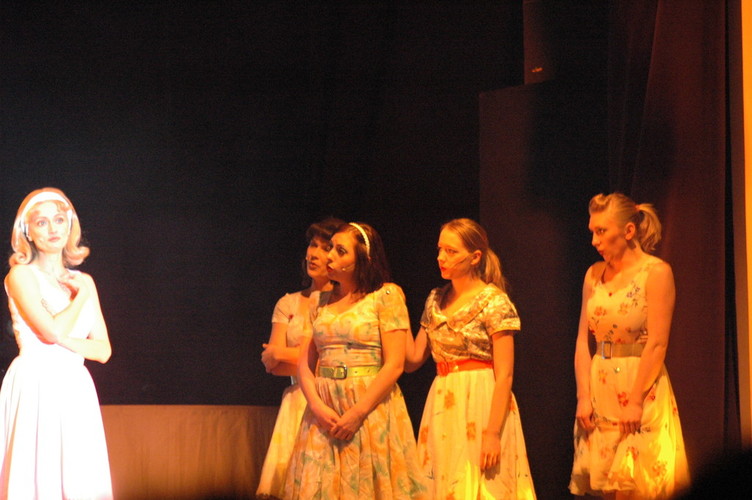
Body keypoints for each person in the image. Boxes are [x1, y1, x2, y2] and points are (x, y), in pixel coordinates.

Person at [283, 222, 426, 499]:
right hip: (324, 409)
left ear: (363, 258)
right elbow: (305, 364)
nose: (329, 256)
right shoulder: (319, 301)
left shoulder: (385, 296)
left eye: (340, 251)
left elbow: (395, 364)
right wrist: (316, 406)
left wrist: (358, 413)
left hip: (368, 407)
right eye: (330, 248)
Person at [569, 193, 690, 499]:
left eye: (601, 231)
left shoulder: (656, 272)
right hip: (601, 388)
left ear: (628, 231)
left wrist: (635, 400)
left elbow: (658, 343)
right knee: (608, 487)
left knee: (637, 485)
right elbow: (583, 341)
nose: (595, 241)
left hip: (639, 387)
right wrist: (583, 396)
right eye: (592, 231)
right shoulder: (593, 275)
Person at [404, 218, 536, 499]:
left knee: (483, 487)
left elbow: (505, 375)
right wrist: (395, 313)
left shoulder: (493, 301)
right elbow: (413, 358)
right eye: (440, 249)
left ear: (475, 257)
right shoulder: (435, 299)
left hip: (481, 401)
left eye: (451, 251)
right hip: (443, 400)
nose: (441, 257)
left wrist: (492, 433)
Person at [0, 187, 113, 498]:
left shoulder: (84, 281)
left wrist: (63, 337)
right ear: (28, 232)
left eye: (59, 220)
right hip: (36, 380)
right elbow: (49, 333)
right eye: (42, 222)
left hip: (74, 384)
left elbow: (102, 350)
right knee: (37, 474)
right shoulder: (21, 275)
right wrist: (79, 300)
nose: (53, 228)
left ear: (69, 225)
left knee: (77, 476)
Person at [256, 217, 343, 499]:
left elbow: (332, 360)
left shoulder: (345, 305)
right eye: (312, 245)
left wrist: (280, 352)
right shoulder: (288, 303)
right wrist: (283, 358)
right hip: (296, 402)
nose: (313, 254)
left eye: (324, 248)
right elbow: (273, 366)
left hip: (332, 397)